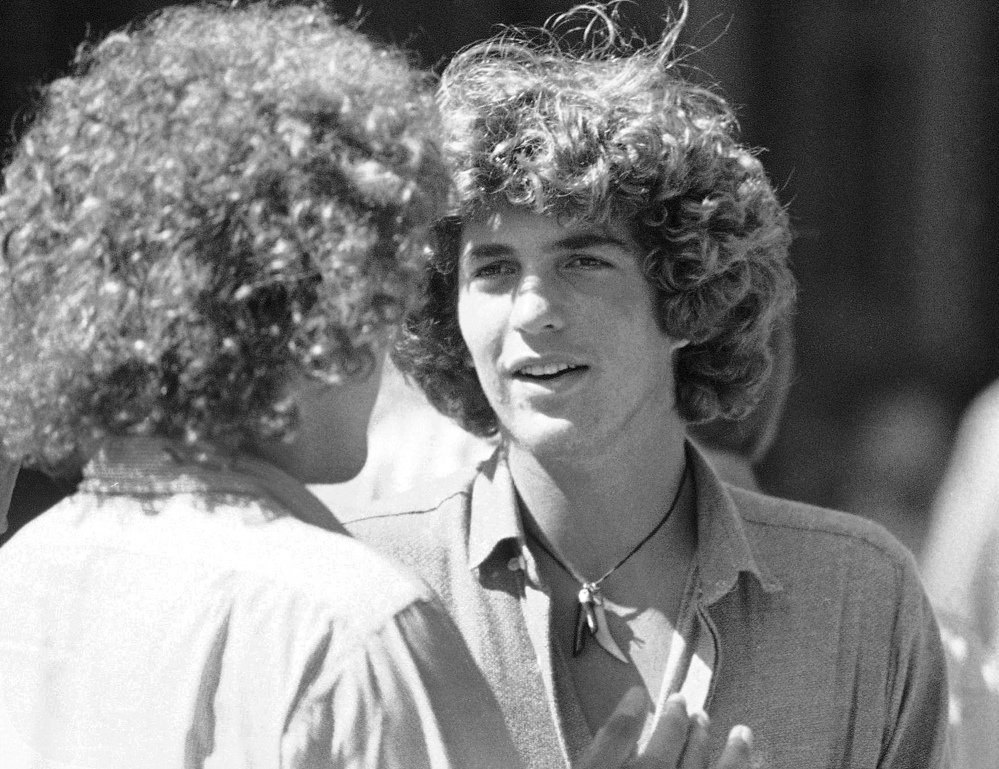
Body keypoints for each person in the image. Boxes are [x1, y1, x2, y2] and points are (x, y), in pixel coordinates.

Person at [320, 4, 951, 767]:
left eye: (582, 261)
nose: (531, 311)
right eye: (491, 269)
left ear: (685, 295)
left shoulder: (858, 598)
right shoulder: (363, 591)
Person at [0, 4, 522, 767]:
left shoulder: (19, 579)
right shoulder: (354, 627)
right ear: (318, 307)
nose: (390, 329)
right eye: (385, 281)